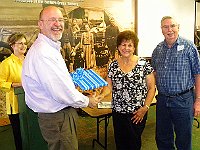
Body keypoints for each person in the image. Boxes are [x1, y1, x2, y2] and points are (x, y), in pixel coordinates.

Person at [21, 6, 99, 150]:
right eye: (52, 20)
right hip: (58, 117)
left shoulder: (48, 47)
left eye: (60, 20)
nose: (58, 24)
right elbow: (61, 92)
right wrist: (88, 101)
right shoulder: (43, 53)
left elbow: (57, 82)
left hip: (57, 115)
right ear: (40, 24)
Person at [97, 30, 156, 150]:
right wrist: (101, 96)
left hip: (137, 113)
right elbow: (109, 86)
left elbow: (151, 88)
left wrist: (145, 108)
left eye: (130, 45)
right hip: (118, 113)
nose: (126, 48)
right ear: (118, 46)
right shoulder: (113, 65)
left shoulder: (143, 65)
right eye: (123, 45)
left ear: (134, 47)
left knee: (133, 144)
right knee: (120, 144)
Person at [151, 16, 200, 150]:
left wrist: (198, 100)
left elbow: (198, 74)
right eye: (166, 27)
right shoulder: (158, 49)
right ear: (161, 30)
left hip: (183, 100)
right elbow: (153, 73)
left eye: (172, 26)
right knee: (162, 138)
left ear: (178, 27)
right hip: (162, 100)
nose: (170, 30)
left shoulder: (189, 47)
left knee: (183, 139)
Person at [0, 33, 27, 150]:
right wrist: (16, 85)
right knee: (19, 135)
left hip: (31, 103)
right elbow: (1, 82)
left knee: (30, 133)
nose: (23, 46)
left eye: (25, 43)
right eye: (20, 43)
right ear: (12, 45)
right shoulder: (6, 63)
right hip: (15, 105)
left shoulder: (29, 61)